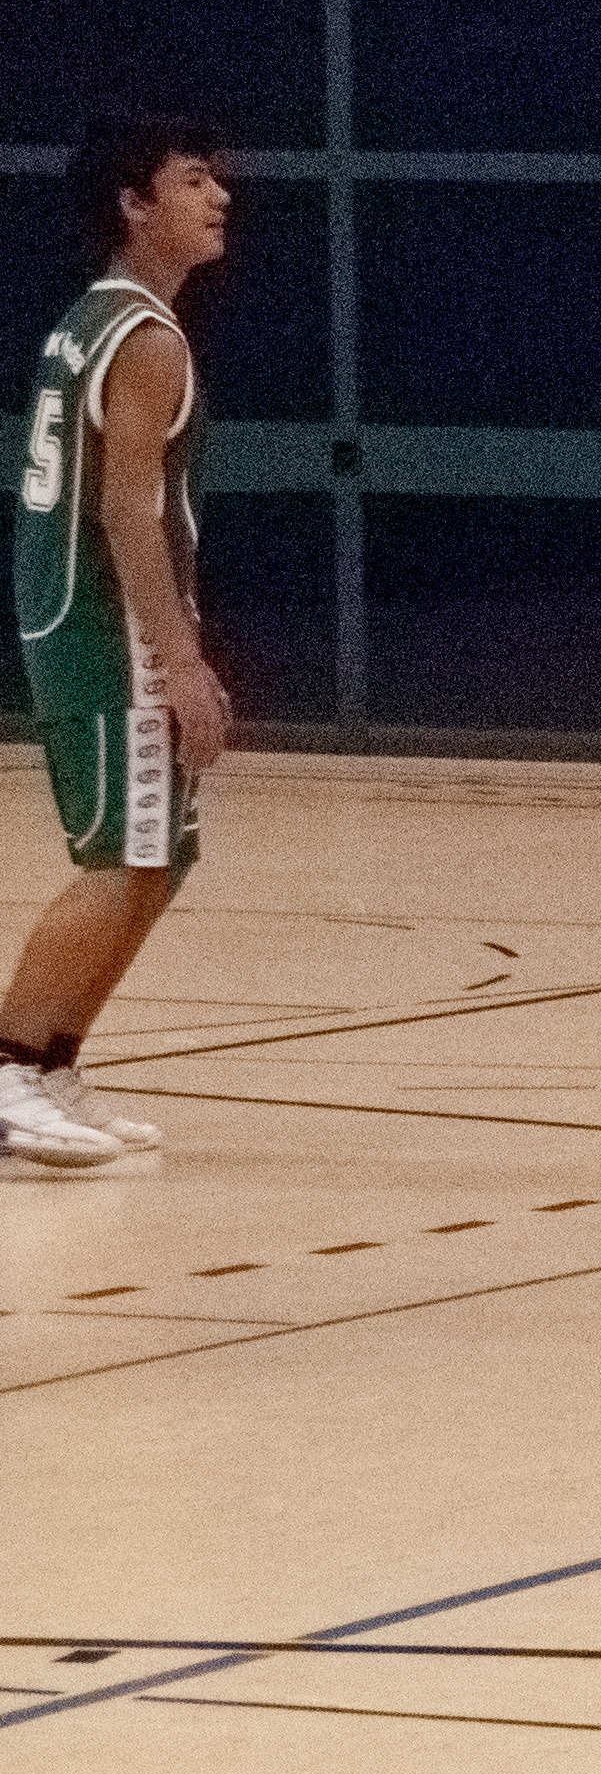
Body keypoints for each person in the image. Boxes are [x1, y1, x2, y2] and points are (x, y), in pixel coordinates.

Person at [5, 114, 234, 1170]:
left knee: (159, 858)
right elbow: (125, 512)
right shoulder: (145, 338)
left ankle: (53, 1065)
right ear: (134, 204)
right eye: (191, 180)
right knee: (120, 858)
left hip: (88, 618)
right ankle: (10, 1069)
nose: (219, 197)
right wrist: (179, 659)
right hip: (107, 629)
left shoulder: (94, 317)